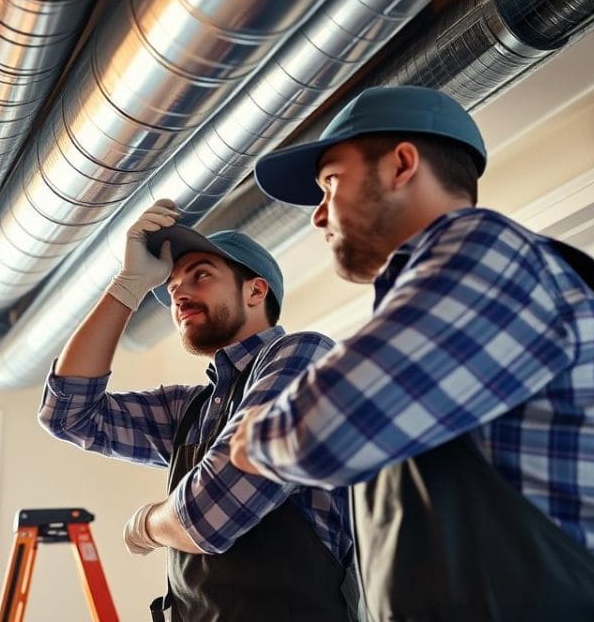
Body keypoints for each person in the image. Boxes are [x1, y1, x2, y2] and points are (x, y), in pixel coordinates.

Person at [229, 85, 594, 621]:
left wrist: (251, 434)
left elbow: (322, 432)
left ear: (401, 165)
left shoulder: (483, 251)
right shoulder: (442, 302)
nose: (318, 215)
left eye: (330, 183)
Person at [39, 200, 358, 621]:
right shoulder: (190, 410)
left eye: (201, 275)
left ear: (255, 290)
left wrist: (146, 524)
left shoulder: (303, 355)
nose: (180, 294)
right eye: (172, 290)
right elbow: (68, 414)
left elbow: (209, 517)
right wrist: (128, 285)